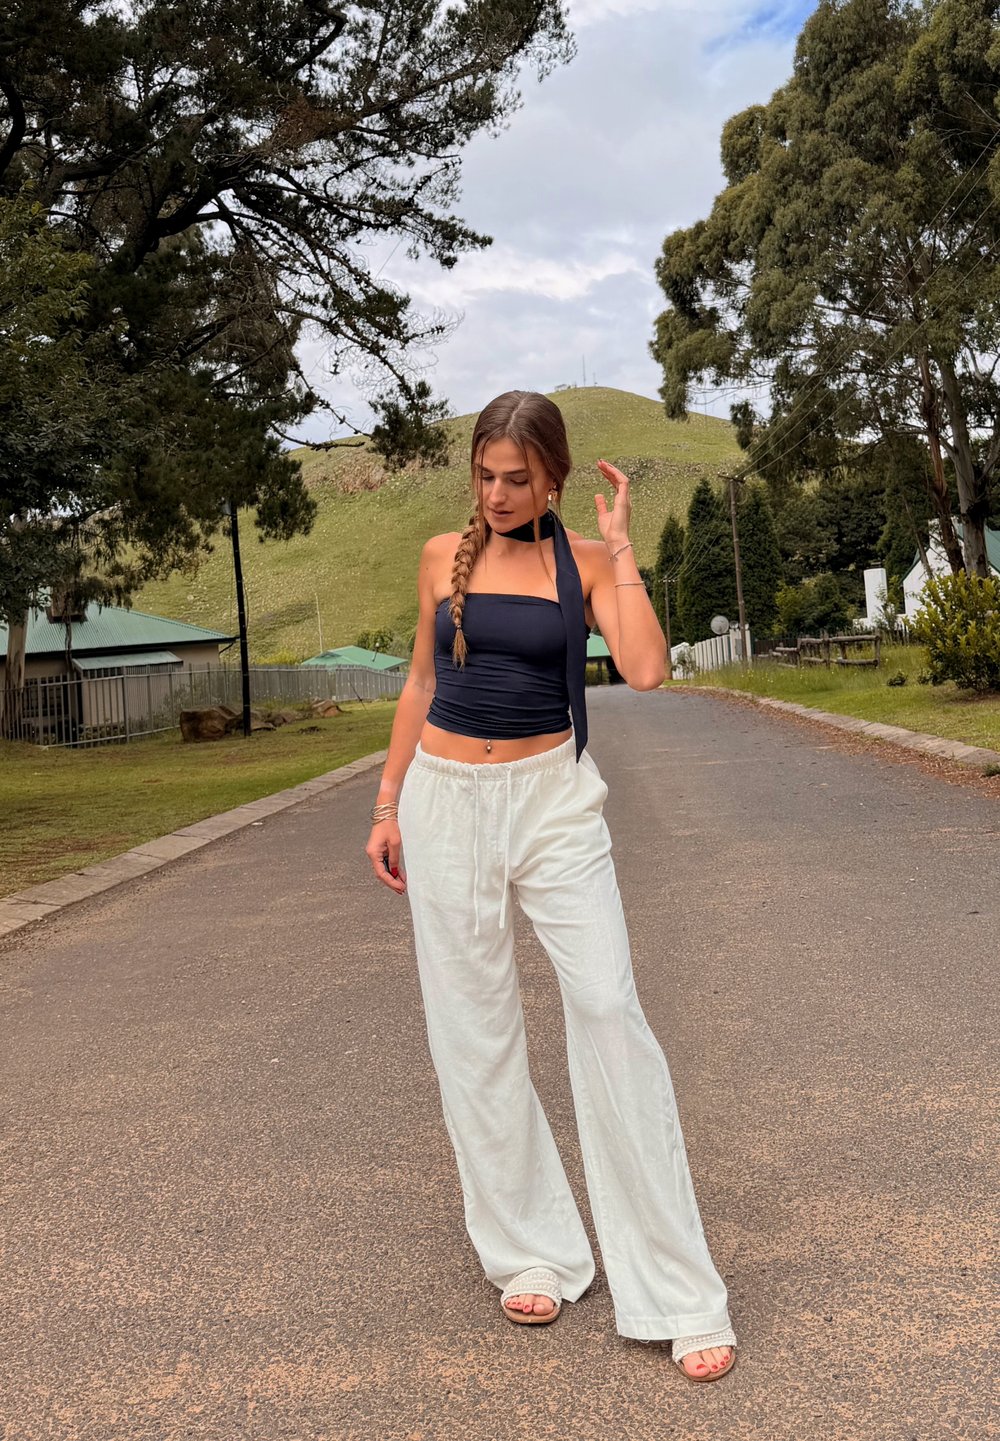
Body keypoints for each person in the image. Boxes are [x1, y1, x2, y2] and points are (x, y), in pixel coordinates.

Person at [365, 390, 737, 1381]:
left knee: (608, 1007)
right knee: (473, 1028)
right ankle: (532, 1249)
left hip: (554, 803)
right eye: (485, 476)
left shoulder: (585, 563)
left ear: (555, 480)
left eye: (517, 479)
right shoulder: (442, 556)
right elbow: (418, 684)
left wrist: (623, 551)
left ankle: (677, 1289)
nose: (496, 494)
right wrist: (388, 802)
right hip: (445, 801)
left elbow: (646, 670)